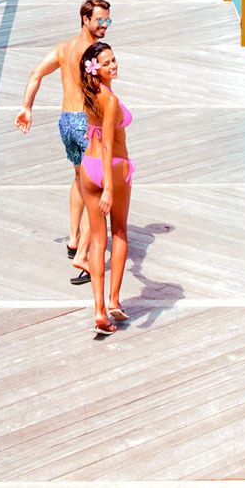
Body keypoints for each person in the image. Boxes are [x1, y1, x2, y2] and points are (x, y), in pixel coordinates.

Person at [14, 0, 110, 282]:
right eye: (99, 21)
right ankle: (83, 256)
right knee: (102, 188)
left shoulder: (63, 48)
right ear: (85, 19)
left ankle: (72, 238)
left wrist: (26, 107)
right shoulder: (94, 52)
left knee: (80, 179)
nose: (104, 26)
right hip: (87, 124)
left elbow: (35, 74)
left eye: (108, 20)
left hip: (66, 121)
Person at [76, 41, 133, 335]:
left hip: (89, 167)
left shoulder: (89, 93)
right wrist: (109, 188)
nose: (114, 65)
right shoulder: (110, 100)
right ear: (95, 69)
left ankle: (98, 308)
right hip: (112, 167)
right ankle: (113, 300)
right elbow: (110, 143)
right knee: (119, 231)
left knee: (98, 241)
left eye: (114, 60)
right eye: (108, 62)